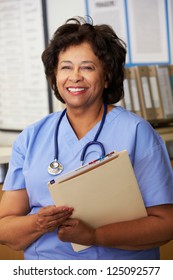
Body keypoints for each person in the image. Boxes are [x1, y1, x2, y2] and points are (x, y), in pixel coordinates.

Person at [0, 17, 173, 260]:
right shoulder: (31, 137)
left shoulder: (137, 133)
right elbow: (5, 228)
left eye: (87, 67)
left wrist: (95, 236)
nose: (75, 77)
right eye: (66, 67)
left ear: (106, 77)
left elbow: (165, 224)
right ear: (54, 76)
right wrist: (39, 222)